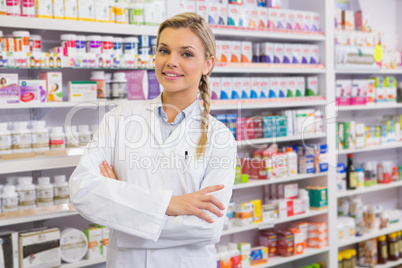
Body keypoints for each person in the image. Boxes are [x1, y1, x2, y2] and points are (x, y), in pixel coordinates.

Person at [69, 12, 237, 268]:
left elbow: (207, 227)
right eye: (164, 50)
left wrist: (120, 208)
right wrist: (171, 204)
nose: (171, 61)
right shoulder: (119, 119)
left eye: (187, 54)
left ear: (208, 64)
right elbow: (82, 191)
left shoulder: (221, 137)